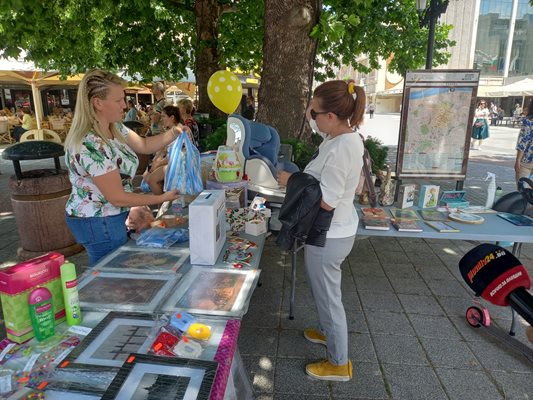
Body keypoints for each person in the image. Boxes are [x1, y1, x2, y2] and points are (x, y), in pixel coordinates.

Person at [277, 80, 365, 381]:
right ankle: (329, 333)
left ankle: (339, 363)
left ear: (331, 115)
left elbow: (326, 200)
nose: (309, 117)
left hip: (329, 234)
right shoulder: (340, 139)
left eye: (313, 112)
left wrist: (292, 181)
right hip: (335, 230)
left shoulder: (342, 146)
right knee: (326, 293)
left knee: (329, 298)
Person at [63, 69, 181, 266]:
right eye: (118, 100)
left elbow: (144, 145)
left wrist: (174, 133)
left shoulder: (114, 127)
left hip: (109, 216)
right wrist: (161, 198)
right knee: (108, 274)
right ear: (98, 103)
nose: (124, 105)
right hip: (98, 221)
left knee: (114, 270)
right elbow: (117, 197)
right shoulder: (89, 143)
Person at [143, 105, 190, 195]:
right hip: (170, 162)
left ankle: (161, 203)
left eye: (164, 116)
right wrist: (155, 161)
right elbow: (164, 150)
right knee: (147, 176)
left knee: (151, 180)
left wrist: (157, 163)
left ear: (172, 117)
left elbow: (177, 156)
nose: (161, 119)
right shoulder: (171, 130)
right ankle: (162, 203)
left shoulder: (179, 131)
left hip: (179, 165)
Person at [514, 100, 533, 186]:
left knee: (523, 192)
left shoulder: (528, 121)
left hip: (527, 159)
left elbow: (524, 141)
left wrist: (518, 160)